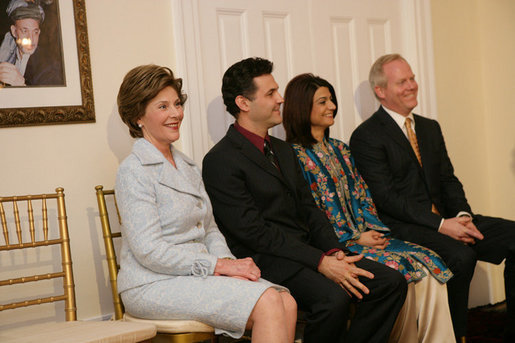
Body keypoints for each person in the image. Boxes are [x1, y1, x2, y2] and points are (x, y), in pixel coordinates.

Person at [202, 57, 407, 343]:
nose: (281, 99)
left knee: (389, 282)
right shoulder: (220, 160)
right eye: (270, 93)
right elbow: (253, 232)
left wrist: (334, 251)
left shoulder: (284, 150)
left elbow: (310, 209)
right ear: (243, 103)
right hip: (267, 259)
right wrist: (319, 261)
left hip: (307, 252)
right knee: (332, 299)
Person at [114, 64, 297, 342]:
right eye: (163, 106)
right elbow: (149, 251)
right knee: (270, 301)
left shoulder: (188, 166)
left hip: (196, 276)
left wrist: (226, 263)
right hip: (152, 283)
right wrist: (219, 267)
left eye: (177, 104)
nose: (176, 113)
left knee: (287, 302)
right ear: (138, 115)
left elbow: (210, 228)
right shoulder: (134, 170)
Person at [349, 53, 515, 342]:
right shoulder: (366, 136)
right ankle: (456, 336)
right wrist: (442, 225)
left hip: (449, 219)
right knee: (462, 257)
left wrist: (462, 216)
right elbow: (387, 198)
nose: (412, 85)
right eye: (402, 81)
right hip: (405, 226)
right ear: (381, 91)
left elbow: (448, 179)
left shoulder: (429, 127)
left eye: (412, 78)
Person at [282, 72, 456, 342]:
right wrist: (353, 237)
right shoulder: (292, 156)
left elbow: (363, 194)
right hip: (337, 246)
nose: (332, 106)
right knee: (403, 271)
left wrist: (371, 230)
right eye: (323, 102)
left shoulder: (341, 149)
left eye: (332, 100)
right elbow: (310, 212)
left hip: (365, 234)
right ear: (301, 107)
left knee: (428, 260)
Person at [0, 0, 63, 86]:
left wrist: (21, 85)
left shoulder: (50, 66)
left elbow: (50, 97)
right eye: (25, 31)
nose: (31, 39)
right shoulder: (6, 53)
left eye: (35, 32)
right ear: (14, 31)